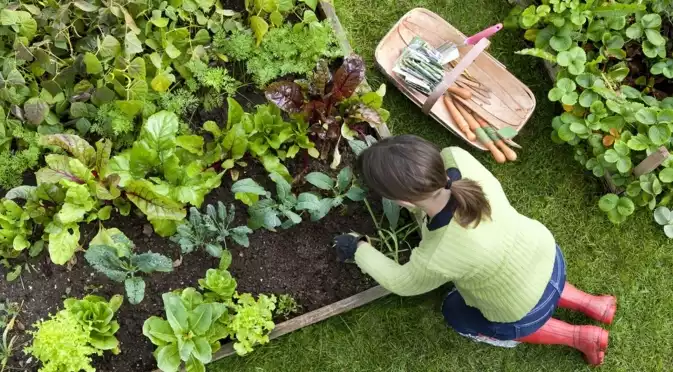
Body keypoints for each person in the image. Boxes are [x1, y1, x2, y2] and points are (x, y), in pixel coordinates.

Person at [333, 135, 616, 366]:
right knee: (528, 277)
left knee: (454, 312)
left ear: (403, 202)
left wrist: (358, 249)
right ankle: (594, 304)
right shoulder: (458, 158)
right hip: (547, 256)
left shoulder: (439, 254)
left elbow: (402, 282)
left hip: (521, 309)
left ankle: (579, 336)